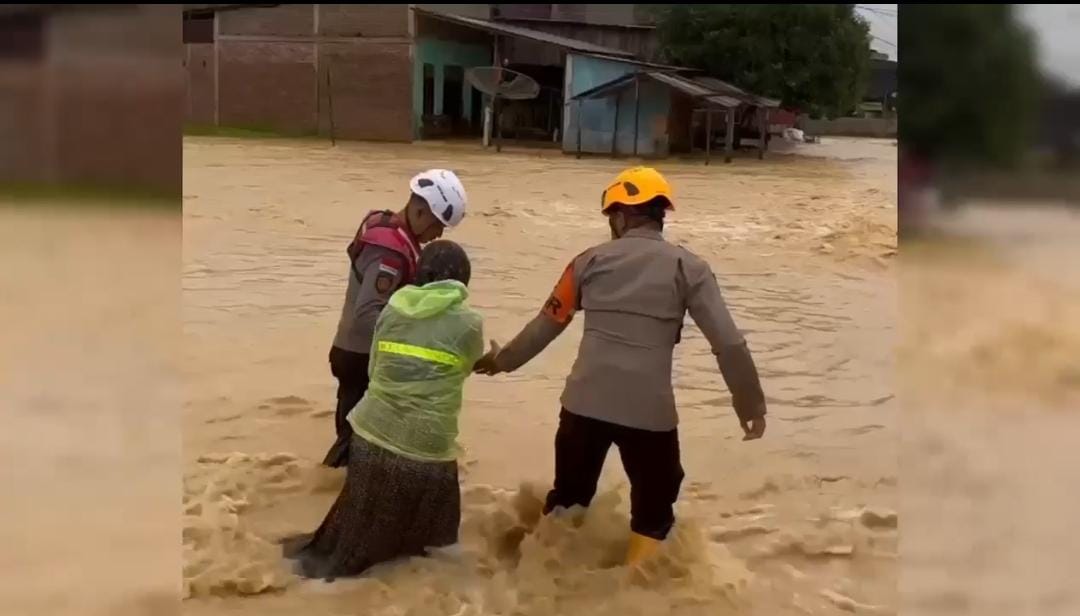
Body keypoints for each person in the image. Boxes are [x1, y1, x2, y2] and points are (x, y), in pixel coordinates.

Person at [473, 166, 767, 566]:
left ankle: (536, 575)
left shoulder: (586, 262)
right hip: (650, 416)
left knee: (569, 500)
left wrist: (501, 361)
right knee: (653, 514)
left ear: (621, 216)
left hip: (583, 406)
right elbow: (728, 343)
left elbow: (547, 325)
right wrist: (750, 406)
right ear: (660, 214)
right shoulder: (690, 269)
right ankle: (635, 587)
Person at [287, 240, 484, 579]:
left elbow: (374, 367)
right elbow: (465, 367)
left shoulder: (392, 309)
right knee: (434, 555)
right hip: (429, 451)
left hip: (369, 438)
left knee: (351, 542)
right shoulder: (470, 323)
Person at [323, 169, 468, 468]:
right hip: (360, 357)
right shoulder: (389, 253)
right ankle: (324, 487)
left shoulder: (385, 225)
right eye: (437, 225)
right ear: (420, 211)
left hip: (353, 351)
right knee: (350, 448)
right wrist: (410, 345)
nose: (438, 235)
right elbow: (367, 314)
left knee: (357, 441)